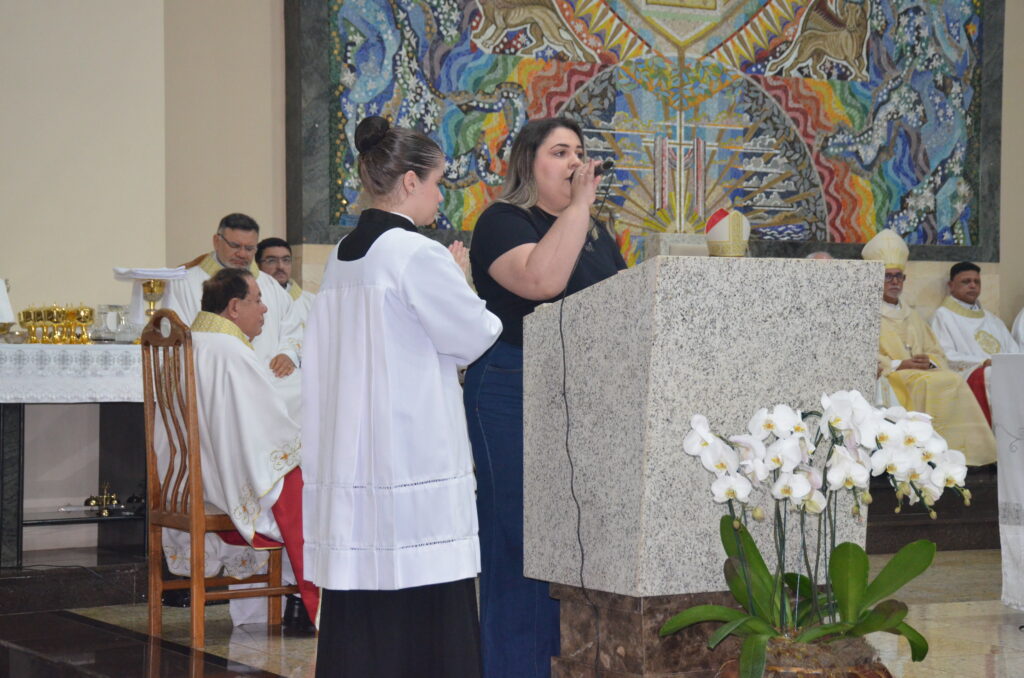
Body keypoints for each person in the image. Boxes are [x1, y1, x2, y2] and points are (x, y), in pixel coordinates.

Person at [302, 115, 501, 678]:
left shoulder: (343, 257)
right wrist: (462, 280)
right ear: (409, 182)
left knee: (364, 613)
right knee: (426, 612)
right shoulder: (415, 254)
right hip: (411, 460)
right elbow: (476, 334)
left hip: (356, 465)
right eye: (438, 182)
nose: (440, 197)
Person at [465, 117, 626, 678]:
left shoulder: (598, 234)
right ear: (527, 163)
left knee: (569, 548)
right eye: (560, 152)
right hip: (512, 388)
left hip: (583, 396)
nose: (576, 163)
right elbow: (541, 282)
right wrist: (581, 206)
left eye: (580, 152)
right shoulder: (503, 221)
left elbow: (624, 306)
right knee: (522, 547)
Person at [157, 268, 318, 627]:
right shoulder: (230, 352)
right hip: (219, 487)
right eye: (257, 301)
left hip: (183, 485)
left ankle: (264, 613)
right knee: (313, 489)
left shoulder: (193, 341)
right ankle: (306, 603)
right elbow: (264, 431)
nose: (264, 310)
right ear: (233, 307)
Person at [863, 230, 996, 465]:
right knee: (932, 382)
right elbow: (862, 353)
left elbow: (936, 352)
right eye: (888, 276)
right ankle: (929, 456)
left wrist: (930, 362)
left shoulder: (911, 315)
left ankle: (965, 455)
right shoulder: (865, 313)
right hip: (893, 376)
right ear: (875, 279)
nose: (895, 282)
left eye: (899, 277)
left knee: (951, 379)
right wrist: (899, 364)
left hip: (920, 374)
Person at [164, 213, 304, 420]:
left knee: (307, 390)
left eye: (249, 248)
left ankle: (281, 454)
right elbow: (174, 334)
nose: (242, 254)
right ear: (216, 241)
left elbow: (293, 328)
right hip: (216, 379)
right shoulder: (184, 284)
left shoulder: (270, 286)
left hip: (268, 374)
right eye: (235, 246)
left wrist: (288, 354)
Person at [929, 261, 1021, 423]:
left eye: (976, 281)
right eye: (966, 281)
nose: (972, 285)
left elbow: (1014, 351)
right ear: (951, 285)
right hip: (968, 373)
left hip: (999, 372)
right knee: (992, 375)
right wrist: (982, 362)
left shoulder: (992, 319)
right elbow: (944, 354)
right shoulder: (943, 316)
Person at [257, 237, 315, 324]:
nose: (280, 266)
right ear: (258, 265)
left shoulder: (310, 302)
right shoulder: (253, 302)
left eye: (286, 260)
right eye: (272, 261)